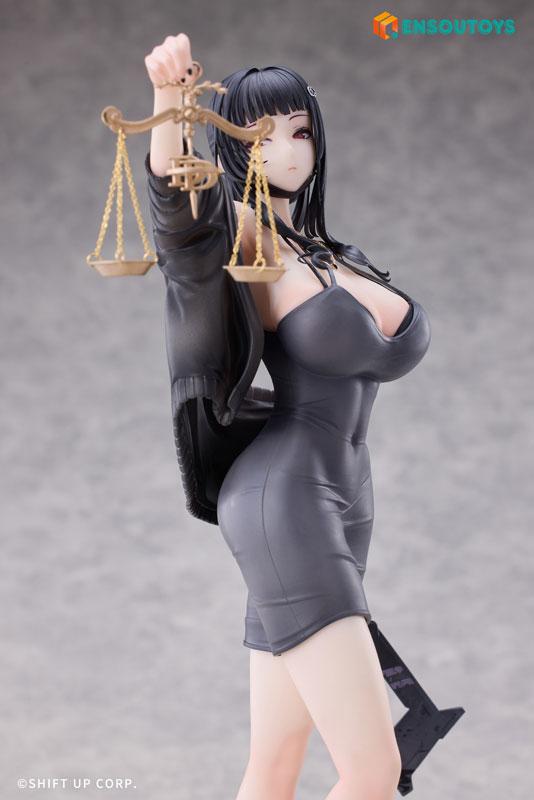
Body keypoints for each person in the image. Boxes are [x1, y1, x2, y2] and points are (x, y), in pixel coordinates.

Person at [144, 32, 431, 800]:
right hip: (287, 500)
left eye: (300, 131)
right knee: (374, 772)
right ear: (234, 145)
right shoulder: (242, 234)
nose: (288, 151)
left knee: (273, 767)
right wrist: (170, 104)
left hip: (346, 501)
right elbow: (178, 210)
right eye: (261, 135)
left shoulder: (332, 253)